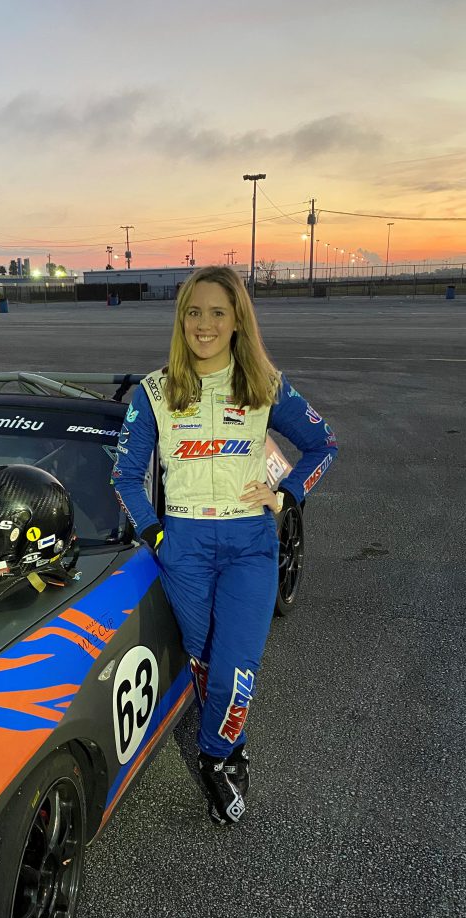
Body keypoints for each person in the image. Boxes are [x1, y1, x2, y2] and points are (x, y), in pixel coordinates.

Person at [112, 265, 338, 826]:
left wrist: (285, 493)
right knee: (206, 662)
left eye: (217, 312)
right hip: (184, 545)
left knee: (238, 662)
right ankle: (231, 741)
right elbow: (124, 475)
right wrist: (156, 531)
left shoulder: (265, 383)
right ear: (180, 318)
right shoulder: (155, 391)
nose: (204, 324)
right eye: (194, 312)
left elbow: (322, 444)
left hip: (249, 544)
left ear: (238, 319)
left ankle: (214, 757)